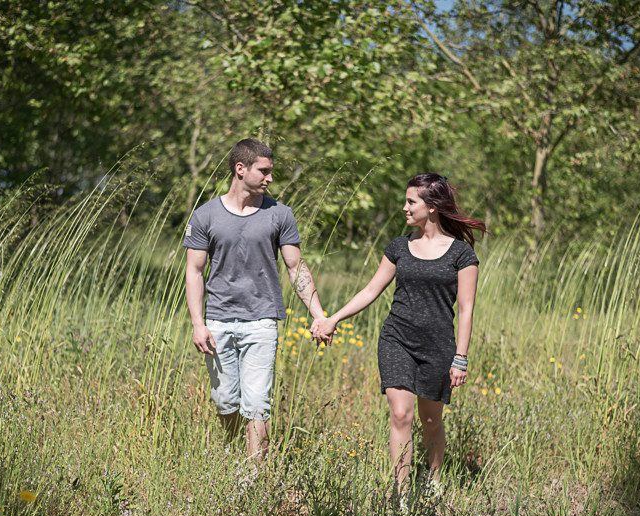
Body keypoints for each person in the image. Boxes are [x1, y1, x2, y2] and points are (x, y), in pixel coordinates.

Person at [312, 173, 486, 491]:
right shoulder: (399, 247)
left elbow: (465, 309)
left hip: (438, 345)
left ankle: (433, 482)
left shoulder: (461, 254)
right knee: (401, 414)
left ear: (432, 206)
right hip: (397, 339)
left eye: (411, 201)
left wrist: (460, 356)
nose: (404, 208)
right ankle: (400, 494)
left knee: (431, 421)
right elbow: (370, 291)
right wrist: (333, 318)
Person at [184, 138, 329, 461]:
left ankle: (253, 477)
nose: (270, 178)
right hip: (218, 320)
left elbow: (296, 268)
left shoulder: (280, 214)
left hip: (262, 320)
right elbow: (194, 271)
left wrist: (318, 314)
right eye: (264, 171)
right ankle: (233, 452)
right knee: (224, 400)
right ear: (241, 169)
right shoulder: (205, 215)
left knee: (258, 403)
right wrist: (198, 323)